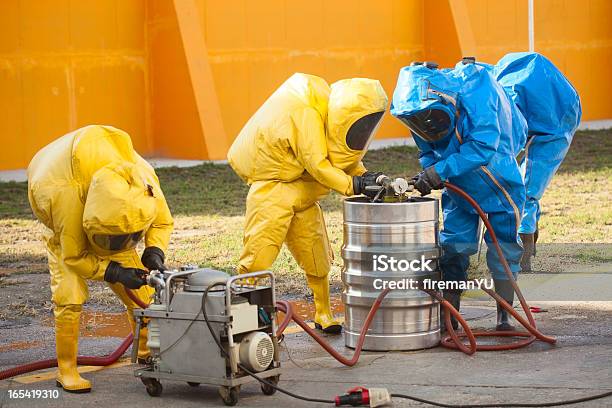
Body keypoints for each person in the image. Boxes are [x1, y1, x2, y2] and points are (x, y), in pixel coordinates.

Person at [228, 73, 388, 333]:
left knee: (317, 256)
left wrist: (366, 176)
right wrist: (353, 186)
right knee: (258, 258)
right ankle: (251, 325)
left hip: (305, 194)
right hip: (273, 190)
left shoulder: (329, 117)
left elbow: (337, 155)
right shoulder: (307, 116)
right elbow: (318, 163)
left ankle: (323, 313)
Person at [27, 125, 173, 393]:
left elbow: (162, 221)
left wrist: (154, 250)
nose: (119, 247)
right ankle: (67, 369)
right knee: (69, 297)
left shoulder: (143, 180)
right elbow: (74, 257)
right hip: (66, 232)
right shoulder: (65, 197)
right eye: (114, 239)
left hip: (111, 223)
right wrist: (114, 272)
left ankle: (145, 354)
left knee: (140, 292)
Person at [390, 61, 527, 331]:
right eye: (414, 122)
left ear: (445, 102)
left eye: (426, 119)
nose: (422, 127)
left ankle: (505, 314)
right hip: (457, 186)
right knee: (453, 246)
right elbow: (427, 150)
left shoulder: (479, 91)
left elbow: (483, 146)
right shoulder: (418, 110)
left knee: (503, 247)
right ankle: (449, 317)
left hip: (499, 181)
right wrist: (429, 172)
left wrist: (439, 170)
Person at [492, 52, 582, 271]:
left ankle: (523, 255)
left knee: (525, 187)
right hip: (541, 101)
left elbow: (505, 148)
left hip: (558, 119)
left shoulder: (502, 102)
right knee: (523, 183)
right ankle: (526, 241)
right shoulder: (488, 86)